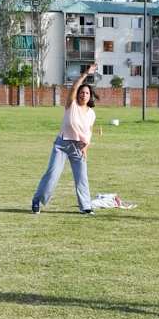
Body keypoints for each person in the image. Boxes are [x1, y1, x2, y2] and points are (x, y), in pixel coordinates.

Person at [31, 64, 98, 215]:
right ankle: (37, 200)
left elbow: (89, 132)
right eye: (82, 92)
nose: (83, 95)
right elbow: (74, 88)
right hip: (62, 145)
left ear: (90, 96)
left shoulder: (91, 114)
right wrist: (85, 75)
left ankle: (85, 206)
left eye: (87, 93)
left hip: (78, 148)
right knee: (52, 175)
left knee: (82, 178)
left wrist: (85, 148)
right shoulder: (71, 104)